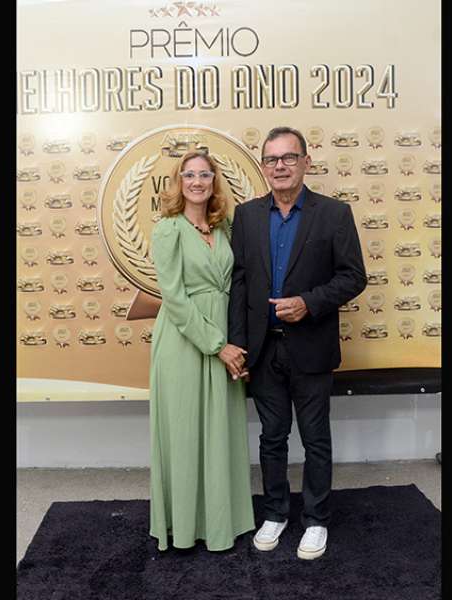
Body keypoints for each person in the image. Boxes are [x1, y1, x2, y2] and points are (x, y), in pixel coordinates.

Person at [228, 126, 367, 560]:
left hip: (311, 346)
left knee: (315, 438)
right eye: (272, 159)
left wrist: (309, 303)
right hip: (263, 349)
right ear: (263, 166)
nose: (280, 166)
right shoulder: (246, 216)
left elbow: (353, 277)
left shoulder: (334, 214)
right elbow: (239, 284)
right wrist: (238, 345)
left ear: (306, 161)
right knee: (271, 437)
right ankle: (275, 513)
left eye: (289, 157)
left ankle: (316, 519)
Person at [149, 151, 255, 552]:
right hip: (185, 341)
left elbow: (238, 284)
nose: (197, 181)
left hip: (225, 336)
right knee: (185, 431)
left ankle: (223, 522)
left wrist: (236, 342)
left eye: (205, 174)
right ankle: (183, 526)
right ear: (179, 181)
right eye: (189, 174)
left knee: (221, 429)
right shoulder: (168, 229)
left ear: (214, 181)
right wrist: (217, 345)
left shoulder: (223, 226)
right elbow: (174, 298)